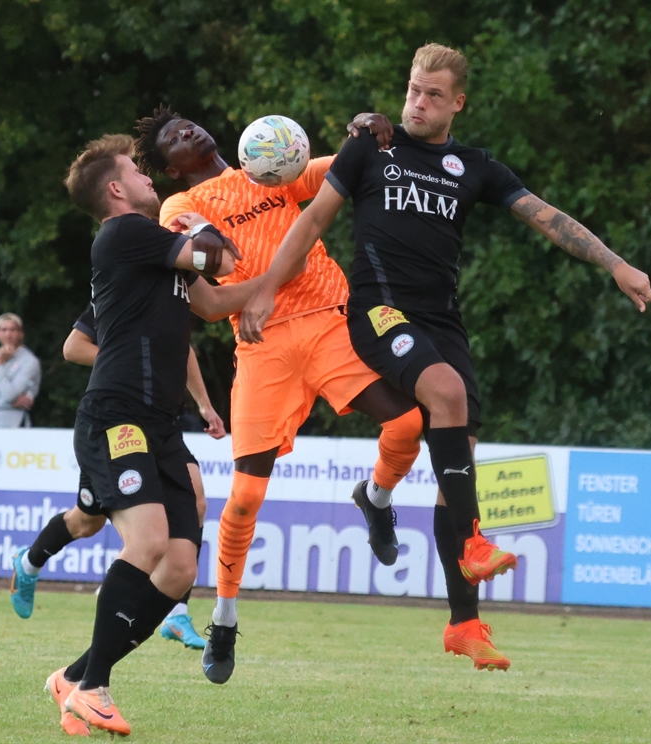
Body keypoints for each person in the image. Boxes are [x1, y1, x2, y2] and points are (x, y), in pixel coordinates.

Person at [240, 43, 651, 671]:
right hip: (379, 310)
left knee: (457, 455)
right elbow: (311, 223)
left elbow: (548, 218)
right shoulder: (369, 149)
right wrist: (268, 289)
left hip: (442, 322)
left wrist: (615, 263)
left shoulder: (473, 166)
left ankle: (463, 622)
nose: (417, 102)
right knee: (448, 395)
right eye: (412, 89)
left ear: (457, 103)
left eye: (433, 95)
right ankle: (473, 544)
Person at [135, 107, 457, 684]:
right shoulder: (181, 206)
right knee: (245, 500)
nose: (187, 132)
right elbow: (197, 258)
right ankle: (226, 617)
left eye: (187, 124)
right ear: (167, 166)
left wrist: (369, 129)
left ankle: (377, 498)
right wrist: (206, 247)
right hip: (264, 345)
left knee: (409, 424)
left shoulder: (276, 169)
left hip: (332, 323)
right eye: (172, 138)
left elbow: (351, 168)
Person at [46, 133, 250, 737]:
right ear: (115, 188)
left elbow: (214, 300)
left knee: (181, 566)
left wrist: (276, 283)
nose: (146, 176)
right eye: (136, 169)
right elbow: (220, 257)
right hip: (117, 415)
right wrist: (195, 223)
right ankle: (94, 688)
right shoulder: (125, 232)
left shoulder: (148, 250)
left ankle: (76, 675)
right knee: (149, 542)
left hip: (158, 424)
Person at [9, 301, 225, 656]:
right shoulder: (120, 290)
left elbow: (180, 350)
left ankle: (177, 611)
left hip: (161, 425)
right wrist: (129, 366)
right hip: (117, 423)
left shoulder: (172, 295)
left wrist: (203, 403)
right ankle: (30, 562)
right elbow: (73, 347)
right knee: (86, 522)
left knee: (196, 499)